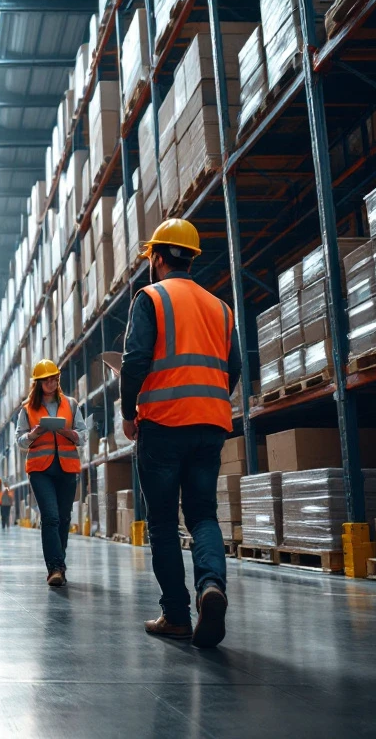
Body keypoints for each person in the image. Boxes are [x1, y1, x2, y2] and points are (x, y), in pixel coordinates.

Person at [121, 219, 241, 649]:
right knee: (204, 514)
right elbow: (235, 368)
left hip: (163, 425)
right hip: (210, 424)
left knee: (162, 523)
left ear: (157, 257)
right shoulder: (220, 307)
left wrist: (127, 413)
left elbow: (135, 360)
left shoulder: (151, 297)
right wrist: (208, 402)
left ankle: (175, 614)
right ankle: (212, 586)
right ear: (190, 257)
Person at [17, 359, 87, 588]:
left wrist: (67, 432)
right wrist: (34, 434)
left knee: (64, 518)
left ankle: (60, 564)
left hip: (66, 467)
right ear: (38, 383)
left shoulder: (71, 404)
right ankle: (55, 568)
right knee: (51, 517)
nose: (52, 382)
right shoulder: (27, 409)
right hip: (40, 470)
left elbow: (83, 435)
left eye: (55, 378)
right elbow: (20, 441)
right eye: (47, 379)